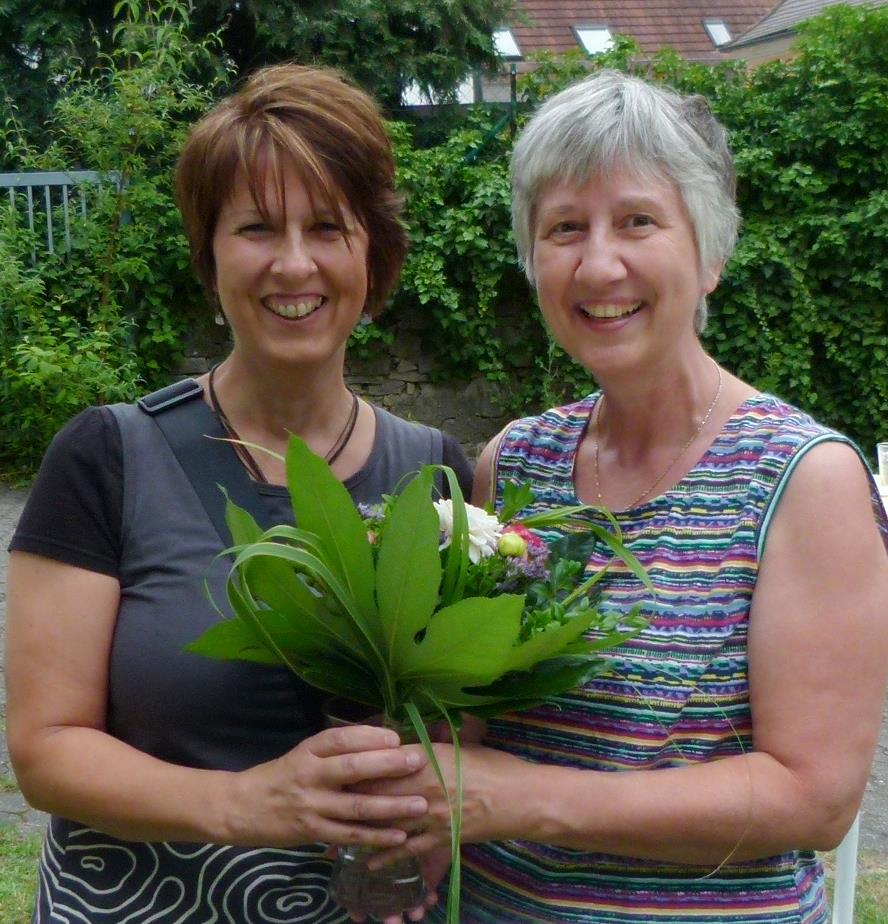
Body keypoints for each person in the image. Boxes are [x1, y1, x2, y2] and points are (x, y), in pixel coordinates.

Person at [362, 71, 888, 923]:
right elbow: (473, 744)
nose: (598, 262)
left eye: (637, 220)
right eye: (564, 228)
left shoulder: (803, 479)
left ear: (711, 252)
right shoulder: (515, 463)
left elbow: (812, 800)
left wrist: (520, 799)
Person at [5, 63, 472, 923]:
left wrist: (420, 840)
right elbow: (45, 750)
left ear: (374, 249)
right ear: (209, 254)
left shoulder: (435, 477)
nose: (294, 264)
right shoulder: (110, 455)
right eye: (257, 227)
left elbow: (458, 750)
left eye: (328, 227)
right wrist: (249, 805)